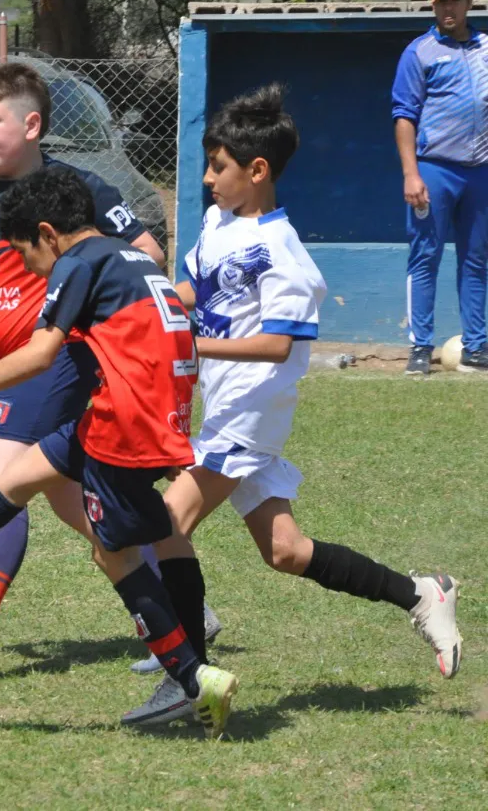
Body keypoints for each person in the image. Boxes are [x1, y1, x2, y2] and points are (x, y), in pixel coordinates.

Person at [0, 164, 239, 739]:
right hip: (144, 417)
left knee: (115, 557)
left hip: (122, 427)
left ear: (49, 234)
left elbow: (37, 354)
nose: (28, 265)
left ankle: (192, 679)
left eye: (26, 251)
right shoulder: (129, 257)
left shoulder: (77, 264)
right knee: (14, 481)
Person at [121, 84, 463, 726]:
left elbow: (278, 344)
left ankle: (187, 675)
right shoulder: (218, 225)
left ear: (257, 172)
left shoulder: (286, 255)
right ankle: (421, 593)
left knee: (167, 522)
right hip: (224, 410)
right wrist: (143, 303)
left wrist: (196, 343)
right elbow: (193, 292)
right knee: (285, 551)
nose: (206, 178)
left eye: (218, 167)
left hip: (252, 413)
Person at [0, 61, 221, 667]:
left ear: (33, 124)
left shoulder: (77, 191)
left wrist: (96, 314)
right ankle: (185, 611)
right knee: (80, 503)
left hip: (55, 364)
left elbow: (146, 252)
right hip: (15, 368)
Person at [392, 0, 488, 374]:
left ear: (469, 3)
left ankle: (478, 347)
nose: (447, 8)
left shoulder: (486, 48)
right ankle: (420, 348)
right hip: (434, 170)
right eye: (440, 2)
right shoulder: (420, 52)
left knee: (478, 259)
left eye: (454, 0)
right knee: (425, 256)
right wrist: (411, 174)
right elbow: (404, 115)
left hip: (480, 172)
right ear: (433, 6)